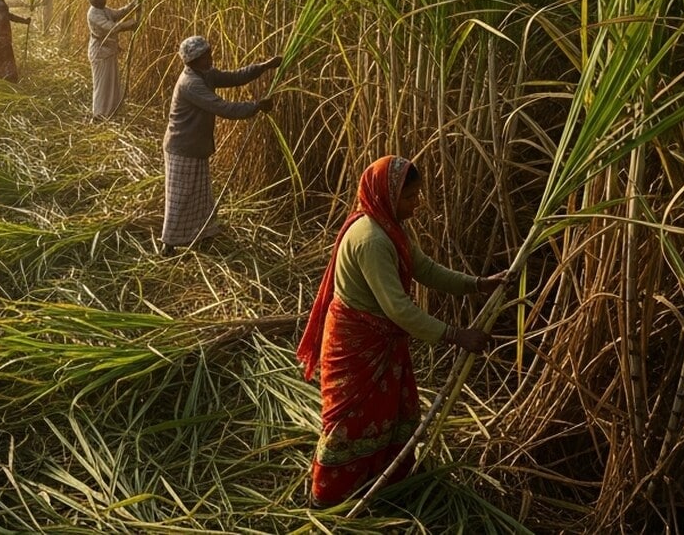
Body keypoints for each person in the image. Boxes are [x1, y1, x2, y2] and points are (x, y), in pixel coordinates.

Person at [295, 156, 506, 505]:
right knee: (349, 424)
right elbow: (399, 308)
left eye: (417, 196)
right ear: (387, 196)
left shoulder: (390, 226)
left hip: (381, 341)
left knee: (389, 412)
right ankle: (328, 498)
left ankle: (380, 482)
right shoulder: (372, 240)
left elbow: (425, 269)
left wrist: (479, 284)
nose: (417, 205)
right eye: (410, 198)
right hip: (357, 344)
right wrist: (456, 335)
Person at [159, 36, 277, 254]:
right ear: (194, 60)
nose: (211, 57)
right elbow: (223, 108)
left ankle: (202, 233)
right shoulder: (191, 83)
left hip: (195, 146)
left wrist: (264, 67)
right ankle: (169, 243)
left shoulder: (205, 74)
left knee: (200, 194)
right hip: (182, 147)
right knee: (180, 197)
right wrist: (256, 106)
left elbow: (235, 77)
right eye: (206, 55)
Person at [85, 0, 140, 119]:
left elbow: (118, 14)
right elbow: (111, 28)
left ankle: (111, 111)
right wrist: (131, 24)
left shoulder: (103, 9)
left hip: (109, 50)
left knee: (111, 82)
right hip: (100, 52)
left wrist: (133, 4)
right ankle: (99, 114)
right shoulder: (93, 14)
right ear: (93, 1)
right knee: (102, 84)